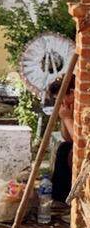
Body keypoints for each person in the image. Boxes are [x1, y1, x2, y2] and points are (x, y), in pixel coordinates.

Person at [48, 73, 75, 203]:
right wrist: (64, 118)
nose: (59, 102)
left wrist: (67, 118)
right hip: (75, 144)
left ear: (71, 92)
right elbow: (67, 138)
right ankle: (59, 197)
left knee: (73, 153)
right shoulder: (71, 106)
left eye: (60, 98)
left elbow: (81, 142)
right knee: (64, 148)